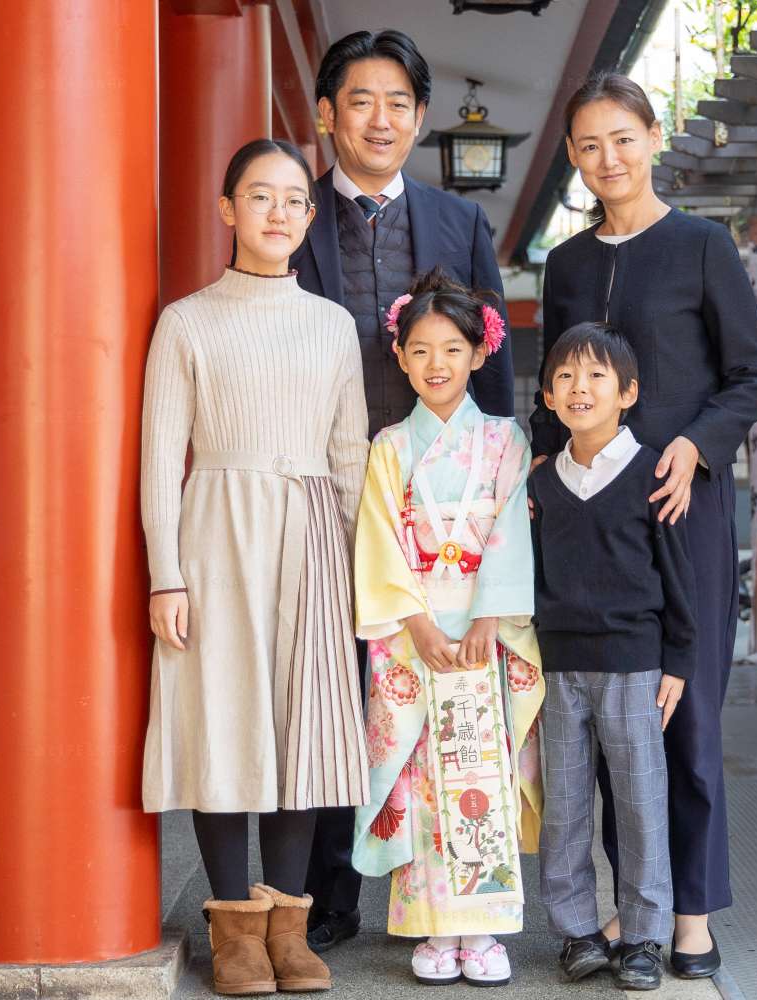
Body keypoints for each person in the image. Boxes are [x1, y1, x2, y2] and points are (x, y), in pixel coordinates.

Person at [529, 73, 757, 978]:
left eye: (623, 139)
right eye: (590, 145)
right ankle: (619, 918)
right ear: (572, 156)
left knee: (688, 720)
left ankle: (692, 920)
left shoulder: (703, 246)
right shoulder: (566, 263)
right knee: (603, 722)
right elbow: (555, 391)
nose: (609, 160)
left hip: (682, 507)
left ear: (654, 136)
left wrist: (693, 447)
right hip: (589, 522)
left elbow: (752, 375)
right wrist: (537, 468)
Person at [290, 28, 516, 954]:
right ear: (324, 114)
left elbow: (494, 368)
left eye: (396, 104)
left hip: (441, 507)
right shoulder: (290, 217)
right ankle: (328, 891)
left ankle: (444, 890)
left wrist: (506, 482)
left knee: (432, 683)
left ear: (420, 120)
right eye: (359, 101)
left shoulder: (458, 225)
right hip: (320, 492)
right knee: (331, 687)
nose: (378, 119)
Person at [140, 138, 370, 997]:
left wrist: (356, 572)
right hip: (216, 532)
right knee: (226, 722)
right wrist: (167, 572)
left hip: (310, 531)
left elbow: (349, 455)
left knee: (299, 727)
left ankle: (288, 929)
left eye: (293, 201)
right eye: (259, 196)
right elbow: (162, 457)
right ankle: (233, 930)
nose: (278, 212)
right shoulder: (188, 321)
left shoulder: (332, 326)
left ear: (309, 220)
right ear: (228, 209)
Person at [350, 268, 544, 987]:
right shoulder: (390, 447)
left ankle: (487, 930)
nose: (437, 364)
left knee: (482, 767)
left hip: (486, 628)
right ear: (400, 357)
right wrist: (417, 625)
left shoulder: (504, 441)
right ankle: (432, 926)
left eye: (452, 349)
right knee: (425, 775)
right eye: (422, 350)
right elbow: (377, 540)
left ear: (480, 352)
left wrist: (489, 619)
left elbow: (512, 540)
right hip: (415, 631)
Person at [530, 321, 697, 990]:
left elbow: (678, 575)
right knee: (564, 806)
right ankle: (576, 933)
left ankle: (644, 938)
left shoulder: (651, 471)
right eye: (566, 377)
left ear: (627, 392)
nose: (580, 388)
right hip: (558, 667)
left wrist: (679, 661)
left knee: (639, 801)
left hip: (635, 666)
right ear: (546, 395)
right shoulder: (541, 485)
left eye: (597, 376)